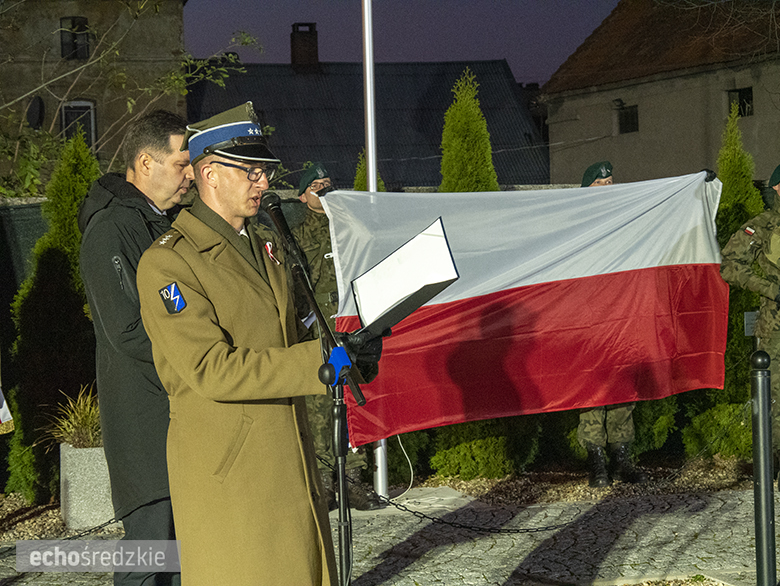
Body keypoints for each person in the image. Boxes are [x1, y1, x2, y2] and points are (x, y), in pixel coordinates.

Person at [136, 102, 384, 585]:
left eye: (264, 170)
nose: (263, 182)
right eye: (249, 170)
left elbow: (291, 333)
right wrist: (320, 361)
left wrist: (347, 352)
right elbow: (212, 368)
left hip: (288, 457)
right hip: (233, 473)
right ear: (208, 173)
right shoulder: (169, 264)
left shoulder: (265, 245)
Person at [78, 110, 193, 586]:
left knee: (183, 559)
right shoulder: (112, 229)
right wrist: (197, 358)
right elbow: (126, 331)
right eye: (181, 163)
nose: (190, 174)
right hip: (144, 424)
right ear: (145, 163)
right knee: (149, 556)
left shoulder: (162, 224)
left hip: (178, 414)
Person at [293, 163, 382, 511]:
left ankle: (354, 482)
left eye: (328, 184)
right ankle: (325, 485)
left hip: (350, 330)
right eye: (315, 186)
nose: (324, 190)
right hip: (317, 333)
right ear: (303, 196)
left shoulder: (349, 231)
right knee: (319, 408)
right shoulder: (297, 236)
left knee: (351, 401)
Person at [577, 161, 648, 487]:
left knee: (623, 388)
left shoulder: (624, 219)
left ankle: (622, 460)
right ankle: (597, 463)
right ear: (586, 188)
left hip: (621, 317)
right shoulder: (577, 225)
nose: (607, 187)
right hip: (589, 321)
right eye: (600, 183)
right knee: (592, 390)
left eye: (610, 181)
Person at [721, 163, 780, 478]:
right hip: (775, 327)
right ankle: (771, 464)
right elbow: (729, 265)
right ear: (778, 188)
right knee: (775, 398)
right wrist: (771, 289)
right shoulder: (762, 226)